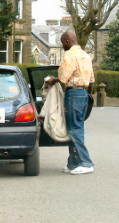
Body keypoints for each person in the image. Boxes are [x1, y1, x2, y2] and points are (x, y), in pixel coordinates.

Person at [47, 30, 95, 175]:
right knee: (76, 128)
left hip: (73, 93)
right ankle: (73, 163)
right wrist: (87, 95)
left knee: (74, 129)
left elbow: (63, 77)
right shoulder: (85, 56)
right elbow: (92, 80)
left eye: (63, 44)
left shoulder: (70, 55)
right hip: (83, 93)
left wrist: (51, 80)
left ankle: (86, 162)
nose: (63, 47)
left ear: (67, 42)